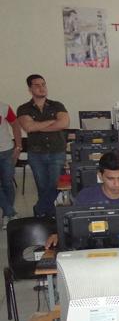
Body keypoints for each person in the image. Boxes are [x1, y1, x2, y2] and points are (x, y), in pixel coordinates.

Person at [45, 151, 119, 249]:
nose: (117, 184)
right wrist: (59, 235)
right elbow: (72, 227)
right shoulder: (85, 196)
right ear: (100, 176)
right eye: (110, 179)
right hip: (92, 252)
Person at [16, 74, 70, 217]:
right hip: (36, 153)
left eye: (43, 84)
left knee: (55, 185)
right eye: (37, 85)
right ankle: (48, 215)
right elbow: (28, 127)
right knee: (42, 186)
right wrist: (52, 122)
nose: (42, 88)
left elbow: (64, 123)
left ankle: (39, 210)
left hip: (57, 151)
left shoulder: (57, 105)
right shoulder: (23, 108)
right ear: (30, 89)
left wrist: (37, 126)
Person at [0, 100, 22, 228]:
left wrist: (18, 146)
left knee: (7, 183)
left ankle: (6, 215)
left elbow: (15, 125)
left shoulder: (4, 107)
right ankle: (10, 212)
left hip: (6, 151)